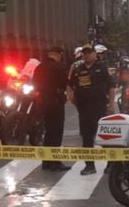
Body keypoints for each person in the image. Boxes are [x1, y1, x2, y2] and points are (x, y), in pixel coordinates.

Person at [68, 41, 111, 175]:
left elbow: (111, 86)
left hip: (99, 106)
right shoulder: (78, 68)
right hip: (84, 107)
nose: (86, 55)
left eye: (89, 53)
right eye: (84, 53)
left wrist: (110, 105)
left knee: (104, 136)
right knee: (86, 137)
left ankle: (111, 163)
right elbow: (70, 84)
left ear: (94, 54)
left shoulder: (101, 67)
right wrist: (71, 97)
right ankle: (89, 165)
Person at [34, 42, 70, 171]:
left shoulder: (40, 67)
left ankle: (46, 161)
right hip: (56, 102)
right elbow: (64, 83)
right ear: (59, 55)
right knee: (56, 132)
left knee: (48, 132)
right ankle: (55, 162)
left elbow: (35, 83)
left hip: (43, 102)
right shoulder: (59, 67)